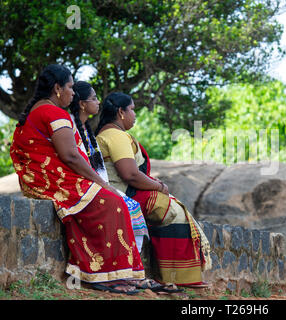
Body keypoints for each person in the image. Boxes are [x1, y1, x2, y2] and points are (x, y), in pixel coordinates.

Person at [10, 64, 144, 295]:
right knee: (111, 203)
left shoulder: (45, 110)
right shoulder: (52, 112)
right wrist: (101, 183)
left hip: (44, 177)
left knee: (115, 201)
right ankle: (100, 274)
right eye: (70, 87)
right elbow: (71, 156)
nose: (73, 93)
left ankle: (114, 273)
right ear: (57, 88)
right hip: (50, 179)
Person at [95, 92, 212, 288]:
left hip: (125, 191)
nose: (134, 114)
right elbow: (130, 174)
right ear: (121, 112)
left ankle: (173, 276)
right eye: (132, 109)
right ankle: (176, 278)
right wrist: (159, 187)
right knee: (173, 211)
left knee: (173, 207)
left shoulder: (111, 134)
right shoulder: (115, 135)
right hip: (122, 193)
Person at [68, 81, 149, 254]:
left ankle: (132, 268)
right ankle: (125, 268)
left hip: (97, 184)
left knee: (132, 209)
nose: (98, 102)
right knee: (128, 207)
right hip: (84, 185)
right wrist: (103, 186)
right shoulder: (70, 126)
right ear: (82, 104)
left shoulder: (87, 130)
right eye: (94, 99)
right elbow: (73, 160)